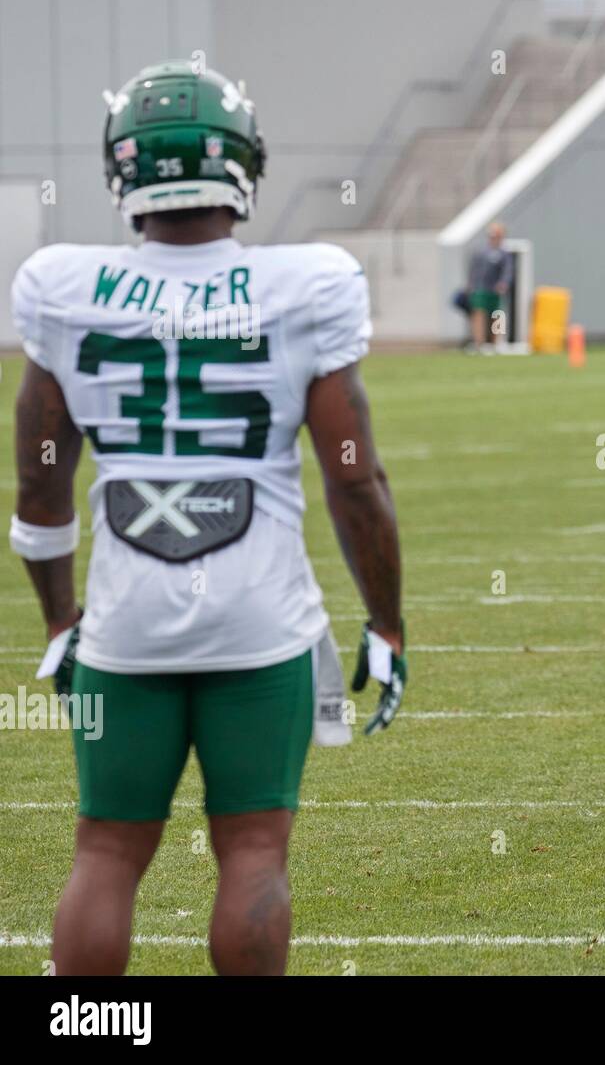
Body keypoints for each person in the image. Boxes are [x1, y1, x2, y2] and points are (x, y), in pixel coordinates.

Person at [10, 62, 405, 975]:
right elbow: (355, 479)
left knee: (106, 853)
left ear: (124, 171)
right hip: (260, 618)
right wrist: (386, 619)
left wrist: (62, 620)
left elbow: (39, 485)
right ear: (243, 164)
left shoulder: (67, 287)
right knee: (255, 852)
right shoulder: (304, 284)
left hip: (124, 619)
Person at [465, 222, 514, 352]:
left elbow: (508, 271)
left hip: (495, 290)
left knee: (497, 315)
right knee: (479, 314)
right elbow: (473, 270)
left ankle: (495, 344)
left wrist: (504, 283)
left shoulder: (504, 254)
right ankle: (479, 344)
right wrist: (471, 285)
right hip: (480, 288)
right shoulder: (480, 251)